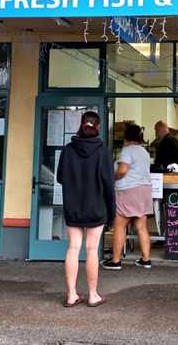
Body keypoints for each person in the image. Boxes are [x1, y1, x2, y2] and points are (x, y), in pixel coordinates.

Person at [56, 111, 114, 308]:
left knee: (73, 248)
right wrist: (111, 213)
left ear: (81, 125)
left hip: (73, 206)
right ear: (97, 128)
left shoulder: (68, 150)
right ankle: (92, 295)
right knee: (92, 250)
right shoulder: (103, 151)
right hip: (96, 207)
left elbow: (60, 178)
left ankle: (72, 295)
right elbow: (108, 184)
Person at [102, 123, 153, 270]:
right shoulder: (144, 152)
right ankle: (146, 259)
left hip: (128, 190)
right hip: (144, 190)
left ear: (125, 136)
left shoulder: (127, 151)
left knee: (120, 225)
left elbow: (122, 171)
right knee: (141, 226)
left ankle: (116, 260)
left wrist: (112, 177)